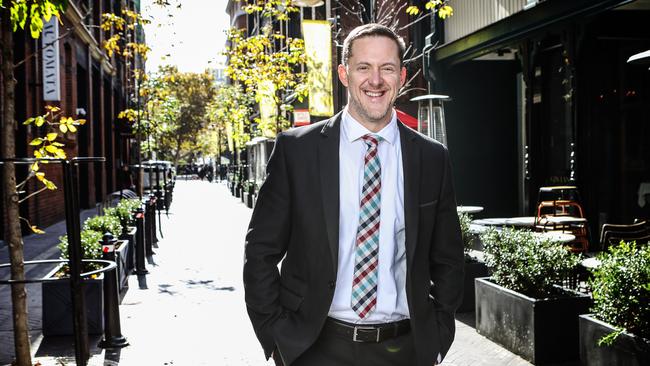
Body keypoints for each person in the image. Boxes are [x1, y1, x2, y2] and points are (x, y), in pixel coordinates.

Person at [244, 23, 464, 366]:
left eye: (387, 68)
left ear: (402, 76)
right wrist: (276, 337)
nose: (375, 80)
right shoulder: (297, 151)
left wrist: (437, 337)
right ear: (344, 74)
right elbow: (260, 251)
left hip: (404, 349)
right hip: (314, 346)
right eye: (364, 67)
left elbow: (448, 257)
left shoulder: (432, 158)